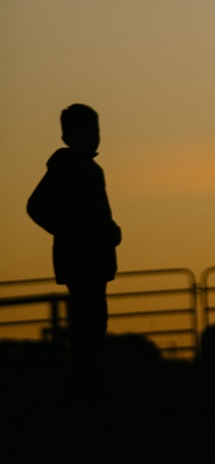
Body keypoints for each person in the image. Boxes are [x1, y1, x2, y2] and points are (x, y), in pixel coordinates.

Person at [27, 103, 122, 385]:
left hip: (92, 256)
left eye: (95, 131)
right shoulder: (70, 167)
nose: (92, 137)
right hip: (83, 258)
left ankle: (86, 380)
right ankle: (85, 382)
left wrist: (108, 231)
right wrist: (73, 232)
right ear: (68, 137)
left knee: (91, 320)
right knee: (88, 322)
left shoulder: (87, 168)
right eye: (85, 132)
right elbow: (36, 207)